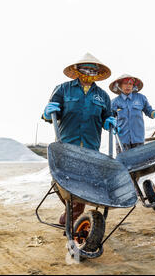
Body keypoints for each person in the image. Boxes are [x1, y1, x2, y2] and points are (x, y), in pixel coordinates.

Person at [42, 53, 117, 225]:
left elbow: (107, 115)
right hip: (66, 145)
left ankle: (73, 217)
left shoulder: (102, 96)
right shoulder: (63, 89)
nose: (89, 72)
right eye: (86, 68)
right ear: (77, 69)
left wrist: (109, 121)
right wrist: (47, 113)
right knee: (60, 181)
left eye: (93, 69)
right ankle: (72, 210)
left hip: (90, 147)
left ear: (98, 73)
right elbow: (52, 115)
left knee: (84, 185)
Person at [109, 74, 155, 153]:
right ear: (119, 86)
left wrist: (154, 114)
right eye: (125, 83)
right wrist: (113, 126)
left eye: (130, 84)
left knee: (140, 162)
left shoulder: (141, 98)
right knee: (123, 163)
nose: (128, 86)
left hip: (138, 138)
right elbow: (110, 117)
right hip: (122, 139)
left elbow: (148, 110)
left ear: (133, 86)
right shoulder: (114, 102)